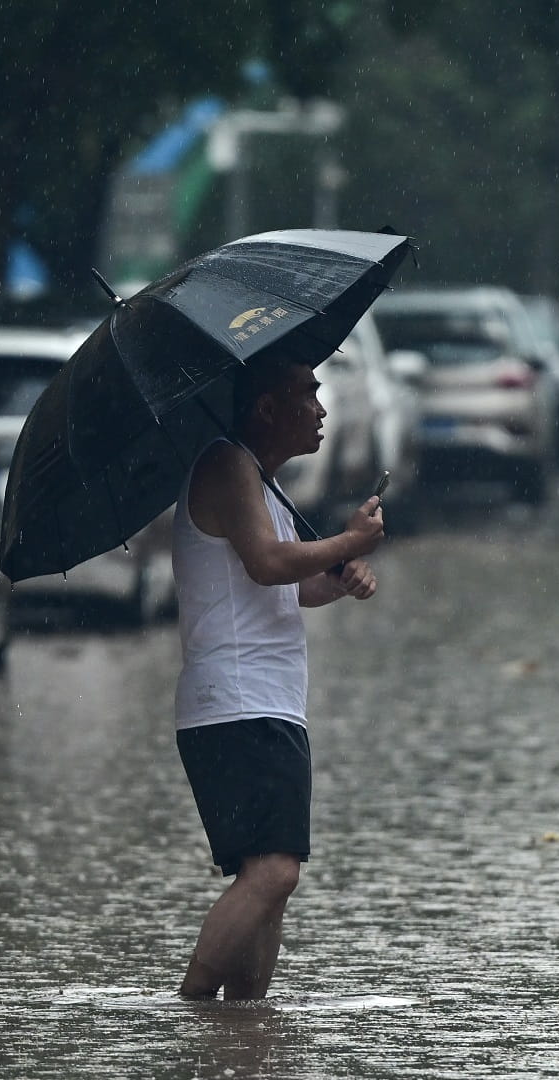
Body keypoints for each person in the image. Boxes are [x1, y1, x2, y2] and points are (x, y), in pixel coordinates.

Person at [171, 355, 383, 1001]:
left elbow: (284, 589)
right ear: (267, 408)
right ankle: (191, 1011)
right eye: (307, 394)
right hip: (238, 703)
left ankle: (243, 1032)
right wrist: (347, 544)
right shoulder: (228, 463)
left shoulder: (260, 481)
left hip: (266, 702)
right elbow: (266, 564)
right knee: (273, 875)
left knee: (270, 886)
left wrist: (336, 581)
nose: (321, 409)